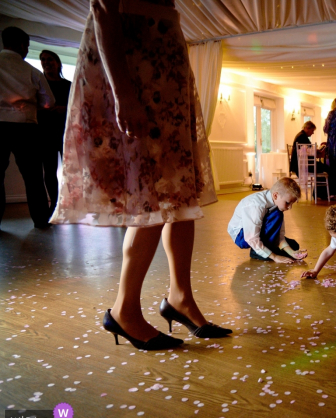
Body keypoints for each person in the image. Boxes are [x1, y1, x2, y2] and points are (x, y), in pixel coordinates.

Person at [50, 0, 228, 349]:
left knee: (179, 192)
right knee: (148, 189)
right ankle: (124, 309)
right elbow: (103, 7)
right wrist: (124, 93)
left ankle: (180, 297)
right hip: (134, 63)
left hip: (164, 62)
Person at [0, 26, 54, 229]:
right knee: (33, 177)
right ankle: (40, 219)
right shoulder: (31, 71)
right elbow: (49, 101)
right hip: (25, 126)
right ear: (22, 45)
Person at [227, 177, 308, 263]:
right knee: (277, 214)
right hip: (242, 236)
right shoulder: (257, 205)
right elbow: (251, 238)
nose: (290, 207)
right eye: (287, 203)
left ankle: (265, 249)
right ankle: (256, 252)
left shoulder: (276, 204)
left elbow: (279, 234)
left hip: (255, 232)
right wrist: (275, 257)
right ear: (275, 195)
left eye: (292, 204)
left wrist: (291, 252)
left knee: (294, 245)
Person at [38, 49, 71, 217]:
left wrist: (64, 109)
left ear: (58, 63)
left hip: (66, 134)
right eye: (43, 60)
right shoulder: (38, 85)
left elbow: (77, 108)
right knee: (49, 171)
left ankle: (70, 204)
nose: (46, 62)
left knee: (70, 170)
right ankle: (55, 204)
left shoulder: (68, 85)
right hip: (46, 133)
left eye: (49, 59)